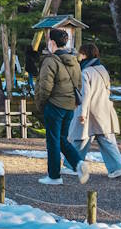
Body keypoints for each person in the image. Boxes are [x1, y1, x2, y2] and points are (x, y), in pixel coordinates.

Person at [34, 28, 86, 185]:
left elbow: (45, 87)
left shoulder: (50, 61)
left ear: (52, 42)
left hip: (55, 104)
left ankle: (54, 176)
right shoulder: (75, 61)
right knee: (62, 139)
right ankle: (79, 163)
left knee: (53, 140)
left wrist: (41, 104)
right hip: (70, 105)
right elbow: (78, 84)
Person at [71, 42, 121, 179]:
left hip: (91, 110)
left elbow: (86, 95)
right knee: (106, 139)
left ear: (84, 54)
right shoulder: (102, 69)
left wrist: (82, 113)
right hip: (104, 109)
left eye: (81, 53)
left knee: (81, 138)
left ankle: (72, 164)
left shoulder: (85, 72)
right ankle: (117, 167)